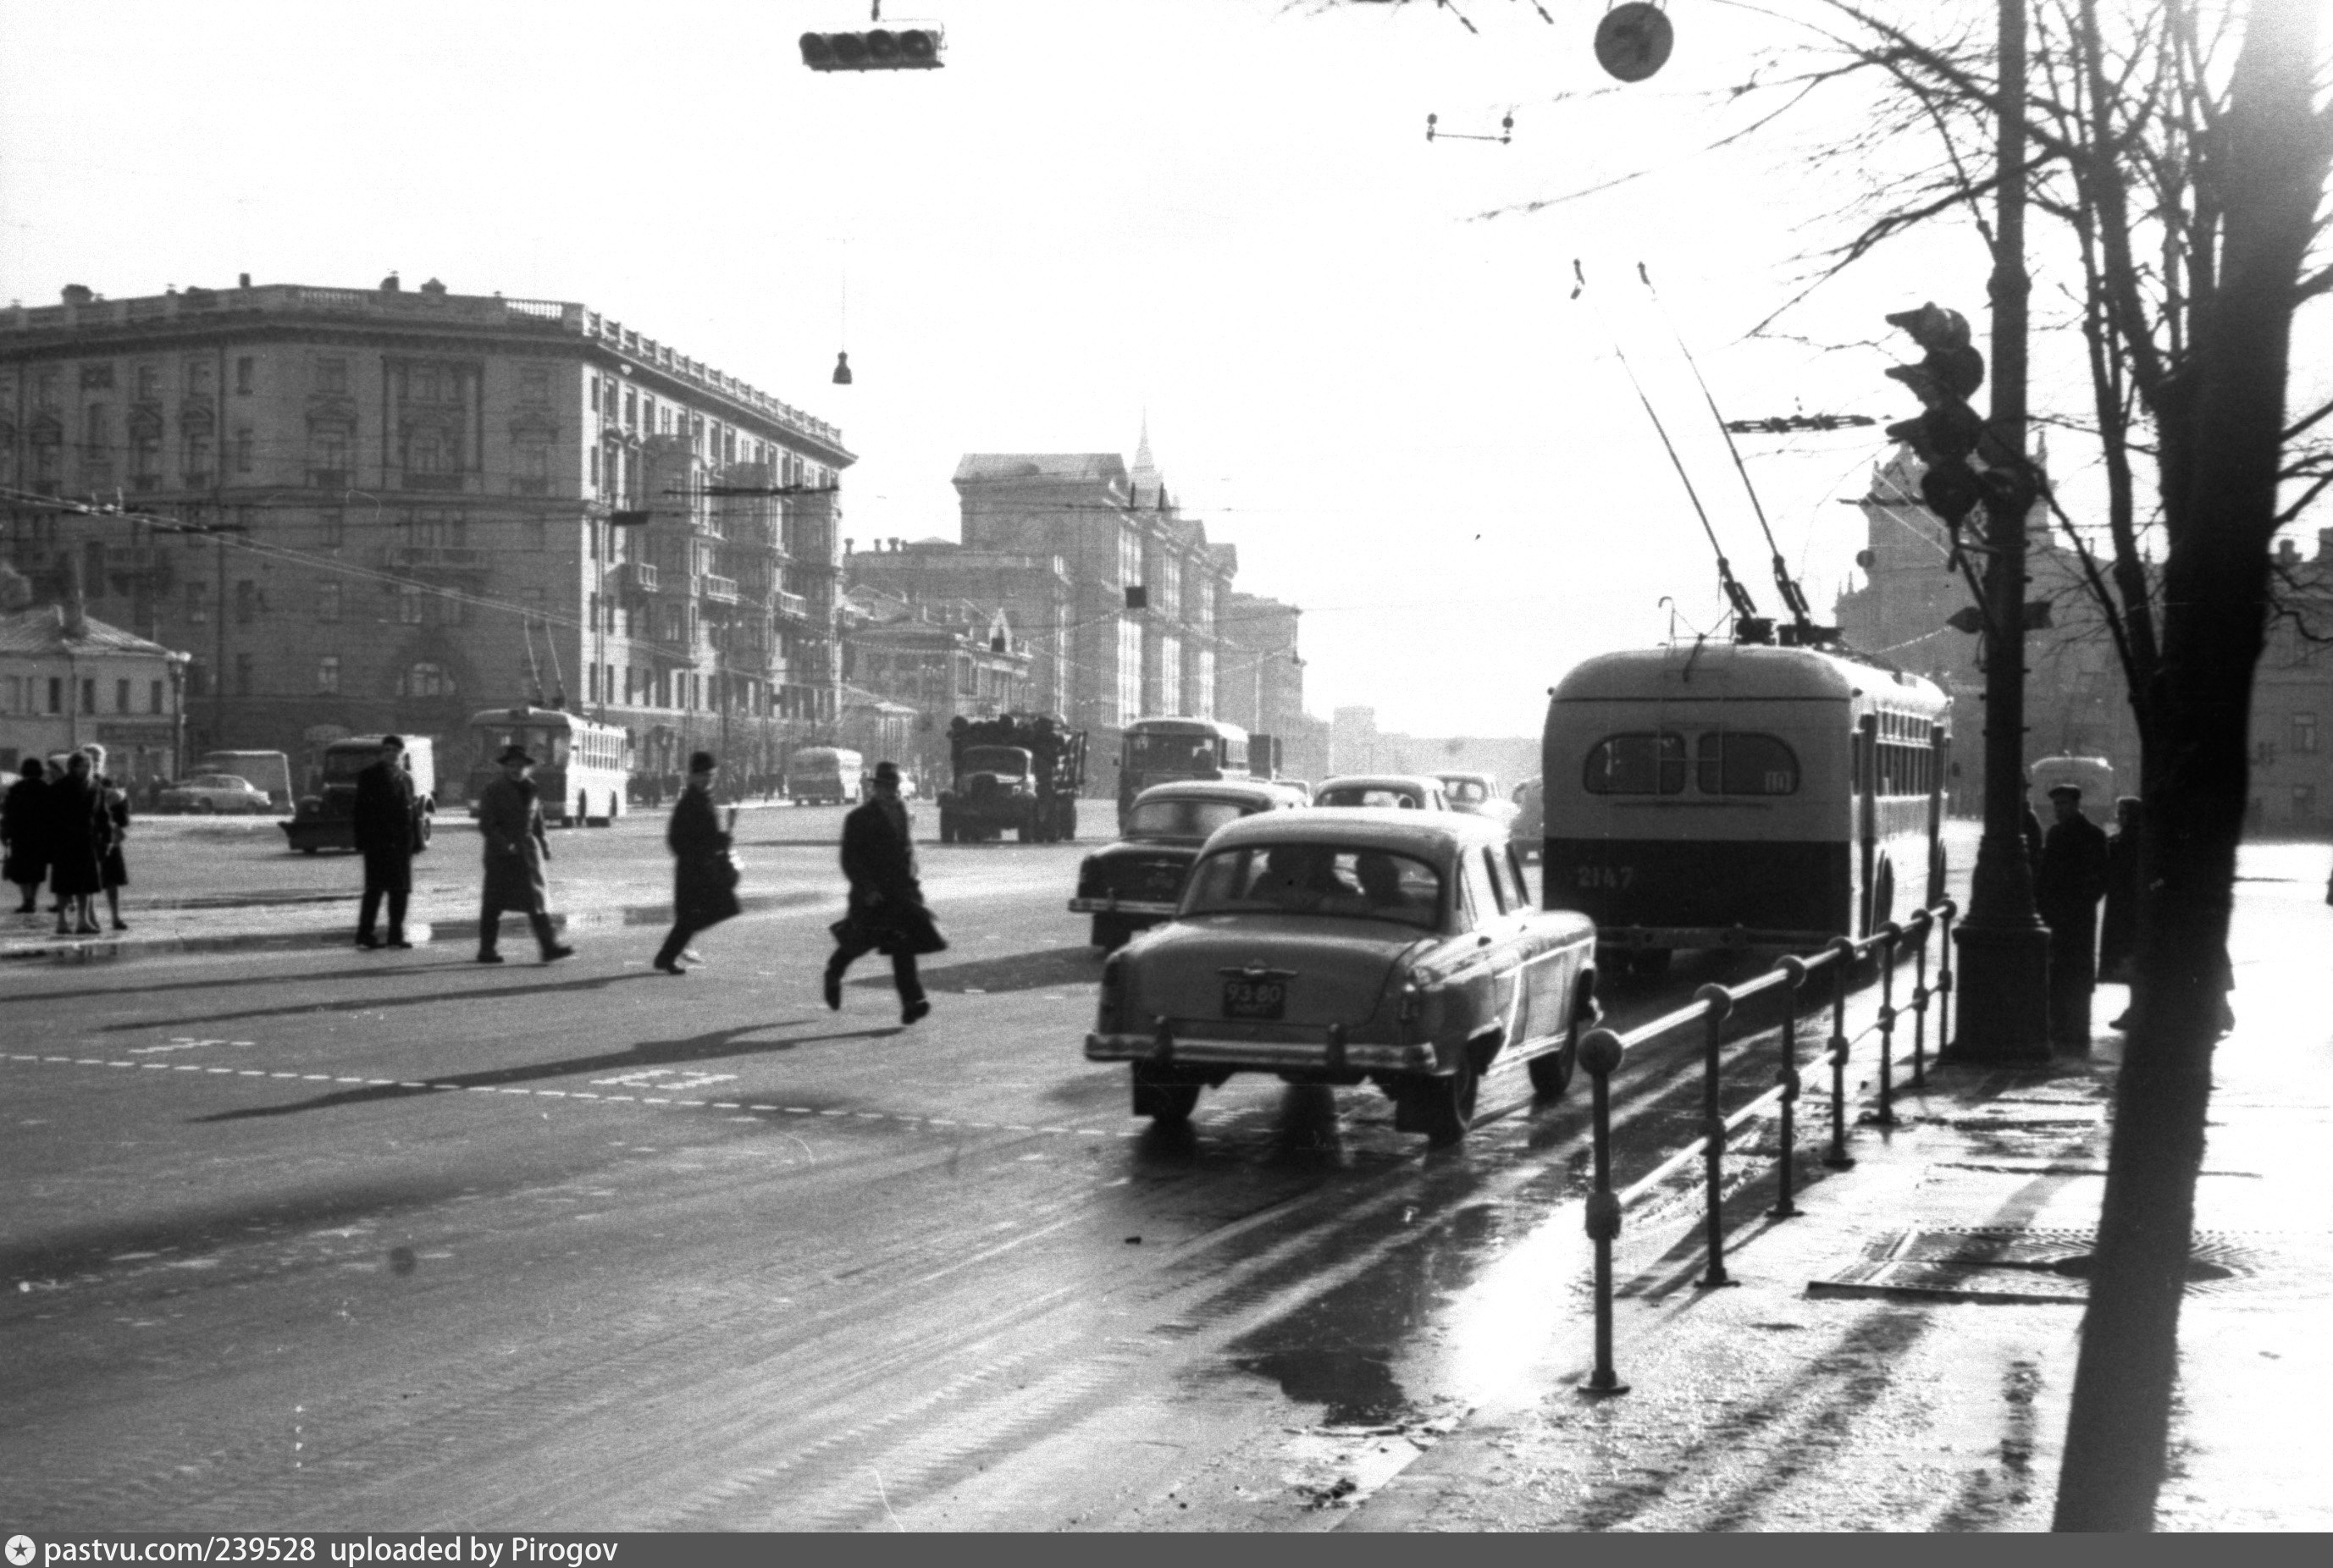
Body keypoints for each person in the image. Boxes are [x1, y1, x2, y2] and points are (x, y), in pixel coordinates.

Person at [825, 759, 943, 1024]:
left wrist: (914, 886)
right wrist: (867, 889)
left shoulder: (903, 812)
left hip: (900, 894)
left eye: (895, 786)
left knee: (903, 946)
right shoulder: (858, 819)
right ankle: (834, 972)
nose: (893, 791)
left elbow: (907, 852)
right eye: (887, 787)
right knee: (859, 942)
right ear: (875, 789)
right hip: (873, 895)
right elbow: (850, 860)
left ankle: (912, 1002)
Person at [474, 743, 572, 964]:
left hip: (527, 851)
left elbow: (537, 820)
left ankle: (549, 947)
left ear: (527, 768)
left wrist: (544, 844)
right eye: (511, 765)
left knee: (536, 900)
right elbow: (487, 824)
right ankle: (486, 950)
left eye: (520, 766)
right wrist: (504, 845)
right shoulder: (494, 789)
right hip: (502, 854)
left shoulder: (531, 787)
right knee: (493, 903)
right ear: (504, 767)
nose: (515, 769)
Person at [2035, 782, 2110, 1048]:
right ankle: (2062, 1026)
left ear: (2077, 805)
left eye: (2064, 804)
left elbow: (2100, 877)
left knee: (2076, 973)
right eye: (2056, 805)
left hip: (2077, 917)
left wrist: (2080, 903)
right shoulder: (2055, 833)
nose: (2059, 809)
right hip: (2060, 915)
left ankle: (2076, 1029)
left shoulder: (2092, 835)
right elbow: (2045, 876)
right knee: (2060, 972)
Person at [653, 751, 740, 975]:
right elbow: (676, 839)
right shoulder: (688, 803)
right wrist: (707, 847)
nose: (707, 779)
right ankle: (666, 957)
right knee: (699, 914)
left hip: (702, 867)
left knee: (698, 914)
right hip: (692, 870)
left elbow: (707, 835)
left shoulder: (704, 799)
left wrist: (720, 840)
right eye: (702, 775)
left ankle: (666, 957)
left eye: (710, 775)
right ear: (692, 776)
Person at [351, 734, 419, 950]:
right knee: (375, 890)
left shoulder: (406, 778)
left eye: (396, 751)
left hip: (401, 844)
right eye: (388, 750)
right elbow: (360, 810)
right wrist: (362, 840)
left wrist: (415, 842)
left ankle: (395, 934)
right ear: (382, 753)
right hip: (378, 842)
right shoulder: (369, 775)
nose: (392, 754)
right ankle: (365, 933)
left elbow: (413, 812)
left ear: (402, 755)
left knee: (400, 890)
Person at [45, 750, 107, 936]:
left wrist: (105, 837)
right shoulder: (59, 787)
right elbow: (49, 816)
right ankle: (62, 921)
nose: (87, 770)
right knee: (64, 883)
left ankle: (83, 921)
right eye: (82, 766)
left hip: (87, 839)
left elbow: (101, 814)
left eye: (89, 766)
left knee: (86, 883)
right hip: (64, 839)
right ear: (72, 767)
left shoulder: (95, 787)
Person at [86, 745, 131, 931]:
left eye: (98, 757)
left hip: (109, 837)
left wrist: (120, 802)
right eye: (91, 756)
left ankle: (115, 917)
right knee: (87, 879)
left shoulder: (109, 782)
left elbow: (123, 816)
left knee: (112, 879)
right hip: (88, 836)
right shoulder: (79, 782)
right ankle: (91, 916)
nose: (95, 760)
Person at [2098, 796, 2142, 992]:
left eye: (2125, 813)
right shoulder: (2116, 840)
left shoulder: (2143, 843)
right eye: (2119, 813)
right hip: (2119, 899)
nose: (2121, 817)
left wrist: (2150, 889)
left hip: (2133, 901)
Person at [3, 756, 48, 914]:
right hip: (40, 835)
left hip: (20, 835)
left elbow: (8, 813)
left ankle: (27, 900)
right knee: (36, 869)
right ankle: (33, 899)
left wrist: (6, 834)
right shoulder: (45, 788)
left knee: (22, 869)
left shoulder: (16, 789)